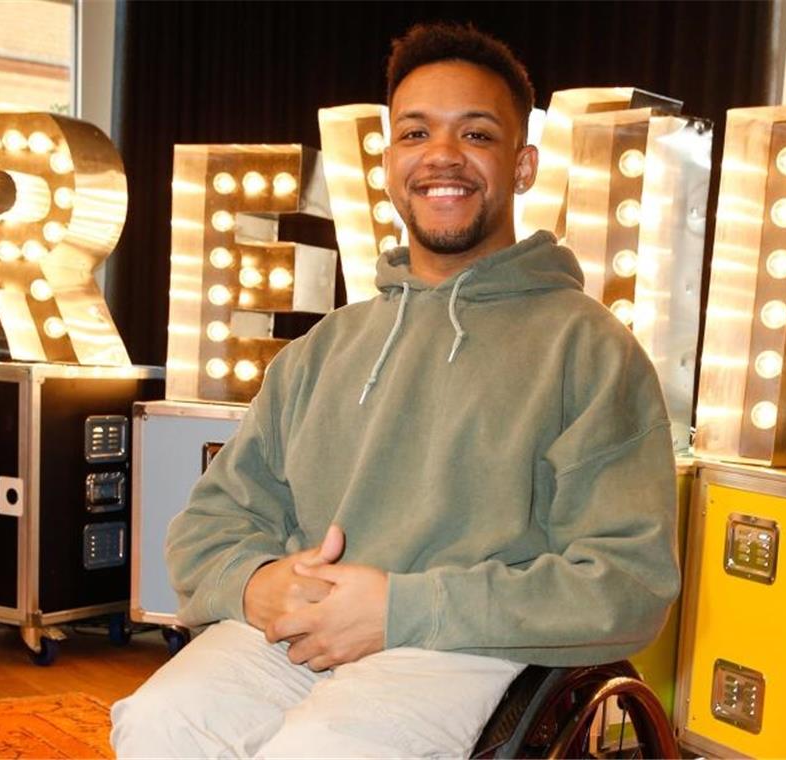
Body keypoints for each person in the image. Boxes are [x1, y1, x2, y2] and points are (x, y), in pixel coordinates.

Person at [111, 21, 679, 758]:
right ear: (387, 164)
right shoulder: (325, 349)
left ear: (525, 163)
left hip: (470, 643)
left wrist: (401, 609)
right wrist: (259, 586)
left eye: (476, 135)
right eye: (415, 134)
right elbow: (207, 528)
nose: (442, 155)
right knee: (158, 723)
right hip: (303, 632)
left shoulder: (592, 351)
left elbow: (626, 583)